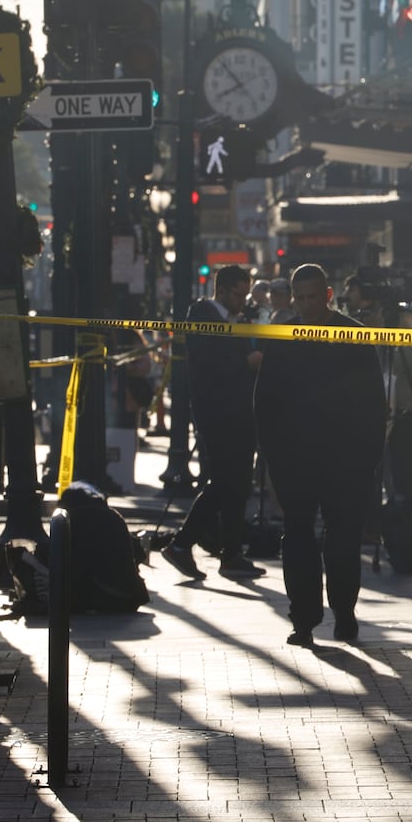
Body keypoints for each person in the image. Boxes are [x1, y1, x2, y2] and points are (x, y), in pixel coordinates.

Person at [255, 264, 386, 646]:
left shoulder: (353, 336)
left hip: (345, 459)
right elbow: (265, 402)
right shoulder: (283, 339)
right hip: (295, 458)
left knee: (342, 539)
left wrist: (369, 455)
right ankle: (304, 620)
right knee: (297, 536)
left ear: (327, 295)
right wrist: (271, 456)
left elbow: (373, 402)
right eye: (301, 298)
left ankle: (343, 613)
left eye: (314, 297)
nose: (307, 304)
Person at [161, 265, 267, 581]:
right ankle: (182, 543)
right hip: (218, 412)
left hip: (241, 411)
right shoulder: (203, 316)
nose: (242, 300)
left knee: (239, 483)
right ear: (222, 290)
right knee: (223, 480)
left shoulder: (238, 319)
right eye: (238, 294)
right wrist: (245, 362)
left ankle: (231, 553)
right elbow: (209, 364)